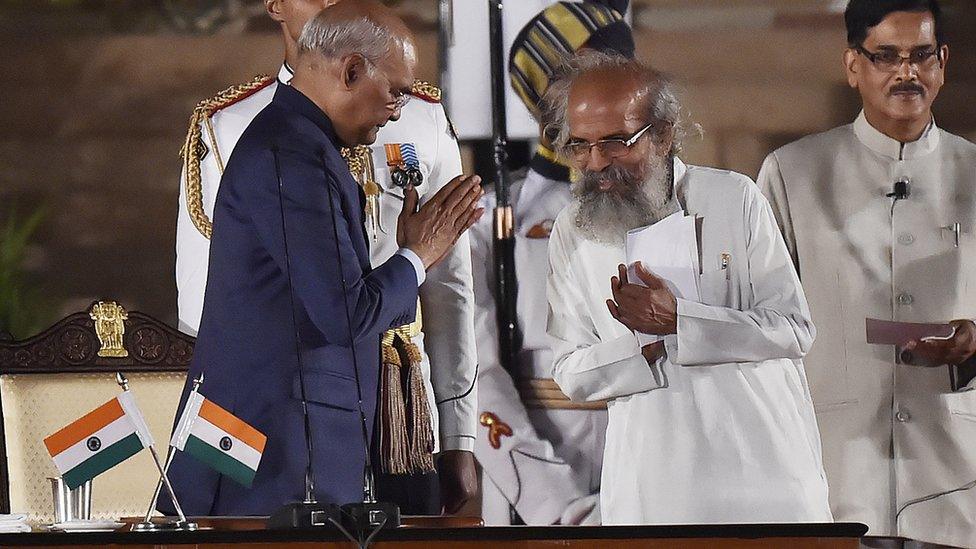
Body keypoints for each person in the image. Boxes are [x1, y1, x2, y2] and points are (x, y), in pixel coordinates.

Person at [163, 2, 483, 515]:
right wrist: (418, 255)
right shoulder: (289, 153)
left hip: (333, 424)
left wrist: (457, 427)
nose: (399, 109)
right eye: (395, 92)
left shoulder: (307, 143)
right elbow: (342, 312)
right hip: (267, 443)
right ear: (352, 70)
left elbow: (444, 295)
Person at [542, 50, 832, 525]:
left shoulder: (734, 198)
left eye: (617, 142)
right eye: (580, 145)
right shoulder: (573, 230)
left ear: (663, 134)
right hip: (651, 486)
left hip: (764, 478)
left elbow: (794, 330)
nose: (596, 163)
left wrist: (681, 319)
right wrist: (647, 348)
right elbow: (571, 371)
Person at [757, 1, 976, 546]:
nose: (907, 73)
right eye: (887, 57)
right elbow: (759, 323)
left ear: (942, 62)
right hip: (835, 473)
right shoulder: (792, 173)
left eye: (921, 55)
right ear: (854, 65)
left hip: (955, 476)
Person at [470, 0, 634, 526]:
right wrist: (555, 505)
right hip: (533, 494)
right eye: (576, 76)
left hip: (649, 479)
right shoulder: (486, 217)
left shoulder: (681, 207)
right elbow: (474, 374)